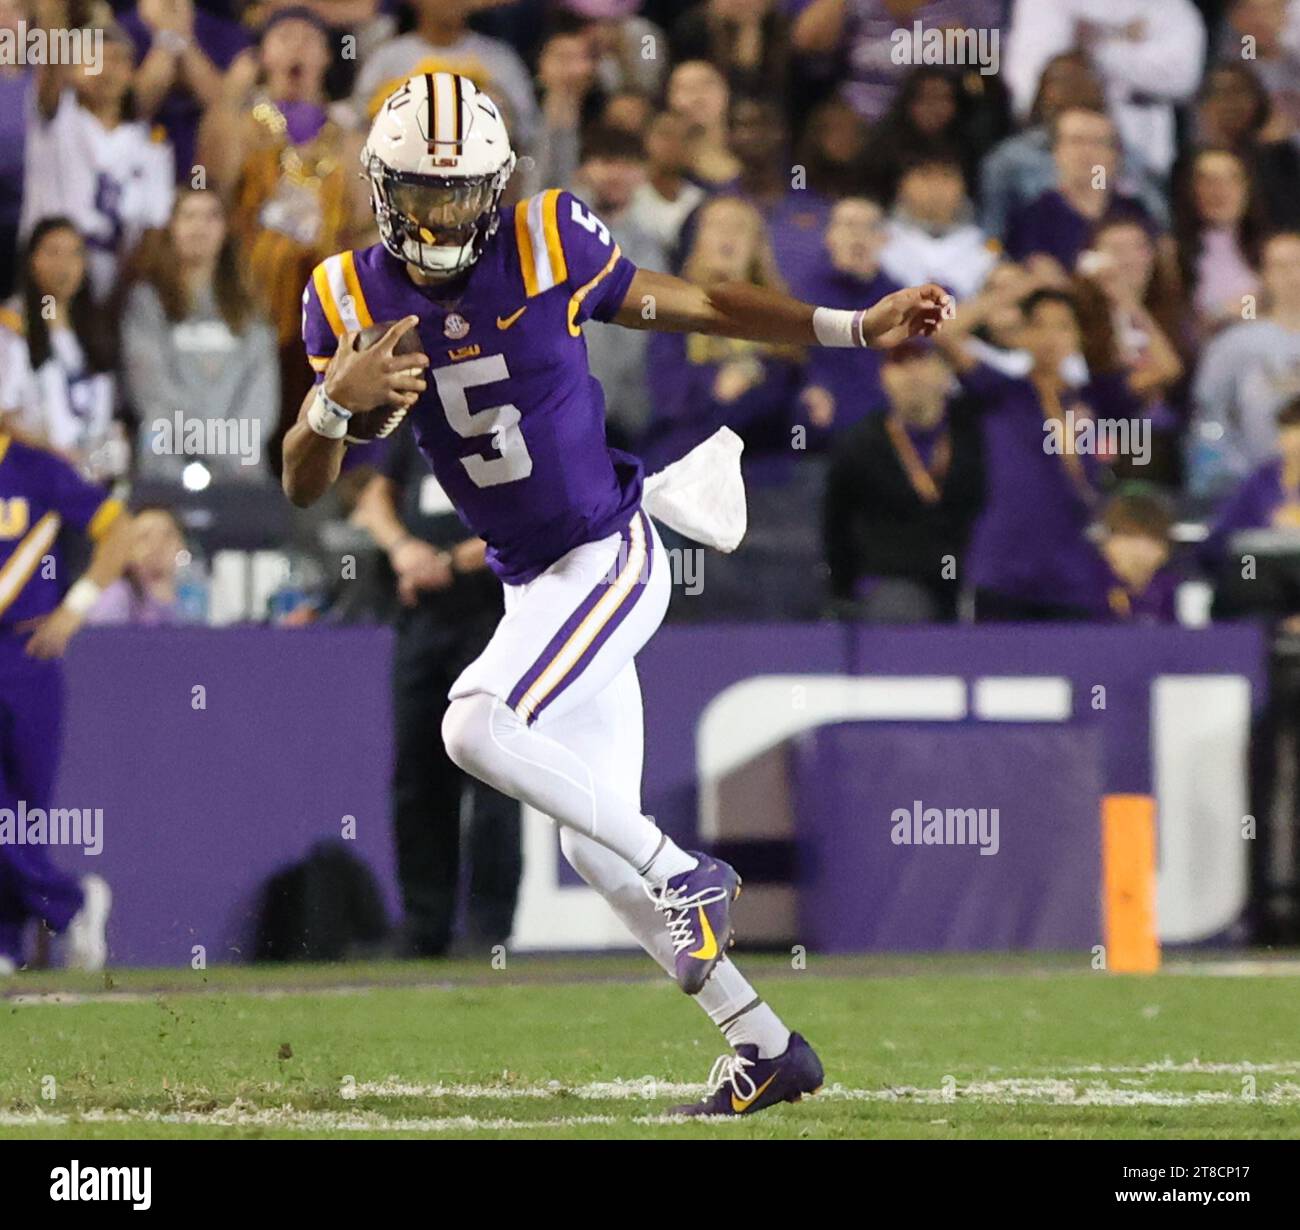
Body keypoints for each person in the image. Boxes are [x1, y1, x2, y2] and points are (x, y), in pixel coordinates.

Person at [283, 71, 948, 1116]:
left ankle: (684, 870)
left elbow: (704, 305)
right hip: (528, 583)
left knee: (473, 726)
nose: (439, 216)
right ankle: (766, 1046)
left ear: (498, 191)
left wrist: (852, 329)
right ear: (380, 188)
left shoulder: (549, 240)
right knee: (590, 845)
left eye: (458, 195)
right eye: (418, 192)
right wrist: (331, 405)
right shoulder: (343, 297)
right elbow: (300, 482)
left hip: (605, 553)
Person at [352, 430, 520, 957]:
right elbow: (376, 496)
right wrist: (402, 547)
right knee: (418, 774)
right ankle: (425, 925)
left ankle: (487, 931)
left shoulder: (516, 411)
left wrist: (449, 562)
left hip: (497, 615)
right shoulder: (420, 416)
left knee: (495, 775)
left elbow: (534, 519)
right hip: (422, 616)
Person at [0, 429, 132, 974]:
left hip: (25, 647)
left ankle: (7, 940)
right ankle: (71, 901)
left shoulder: (35, 467)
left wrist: (75, 607)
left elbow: (117, 530)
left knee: (25, 808)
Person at [935, 287, 1139, 620]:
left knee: (1072, 667)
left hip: (1072, 568)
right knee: (1000, 669)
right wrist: (1011, 291)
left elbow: (1167, 367)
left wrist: (1128, 304)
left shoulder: (1095, 399)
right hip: (1004, 564)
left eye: (1062, 327)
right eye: (1039, 325)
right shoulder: (1002, 391)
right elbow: (943, 334)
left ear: (1077, 336)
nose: (1050, 337)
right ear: (1023, 334)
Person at [122, 188, 279, 485]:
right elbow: (150, 392)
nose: (199, 227)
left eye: (211, 217)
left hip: (240, 466)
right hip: (166, 459)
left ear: (225, 229)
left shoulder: (250, 307)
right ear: (172, 227)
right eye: (189, 216)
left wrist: (229, 446)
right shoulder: (146, 303)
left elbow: (262, 398)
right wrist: (212, 441)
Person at [823, 340, 985, 621]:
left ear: (946, 372)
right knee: (901, 608)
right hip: (891, 580)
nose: (912, 373)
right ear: (882, 377)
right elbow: (836, 526)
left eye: (922, 359)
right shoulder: (861, 444)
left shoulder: (975, 434)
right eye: (899, 362)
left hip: (969, 579)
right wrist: (842, 591)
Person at [20, 12, 174, 302]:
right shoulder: (54, 118)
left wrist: (125, 297)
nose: (104, 69)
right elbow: (52, 52)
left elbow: (154, 229)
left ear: (131, 72)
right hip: (50, 285)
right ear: (71, 68)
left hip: (120, 289)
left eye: (116, 60)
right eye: (92, 59)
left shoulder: (152, 146)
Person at [0, 219, 123, 482]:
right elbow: (5, 415)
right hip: (35, 476)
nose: (64, 265)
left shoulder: (95, 328)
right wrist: (52, 452)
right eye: (53, 252)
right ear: (32, 260)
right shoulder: (11, 328)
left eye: (74, 253)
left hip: (94, 477)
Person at [1187, 231, 1300, 501]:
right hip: (1255, 489)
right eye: (1282, 266)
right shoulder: (1233, 345)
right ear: (1263, 275)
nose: (1294, 276)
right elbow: (1208, 417)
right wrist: (1231, 481)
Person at [86, 504, 185, 626]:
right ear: (126, 549)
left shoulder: (195, 595)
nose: (157, 546)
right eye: (144, 537)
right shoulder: (116, 597)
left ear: (181, 545)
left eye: (167, 536)